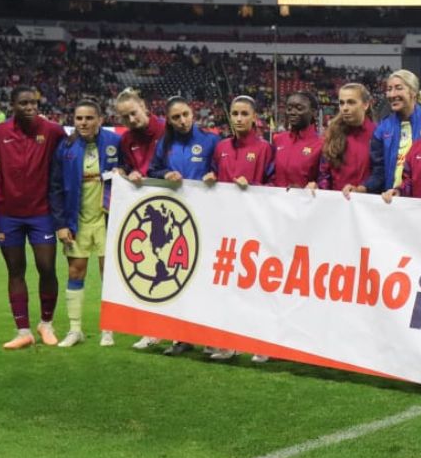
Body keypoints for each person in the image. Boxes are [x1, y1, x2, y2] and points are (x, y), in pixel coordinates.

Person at [136, 95, 219, 356]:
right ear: (169, 121)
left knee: (206, 281)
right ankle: (181, 337)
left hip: (208, 220)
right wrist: (165, 175)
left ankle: (210, 337)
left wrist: (214, 174)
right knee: (179, 279)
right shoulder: (165, 143)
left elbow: (222, 168)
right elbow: (153, 170)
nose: (182, 121)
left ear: (193, 113)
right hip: (177, 223)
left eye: (185, 115)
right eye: (176, 118)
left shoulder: (210, 140)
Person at [0, 86, 66, 350]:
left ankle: (46, 323)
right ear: (13, 105)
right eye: (23, 103)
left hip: (41, 212)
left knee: (46, 267)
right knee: (15, 271)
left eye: (33, 102)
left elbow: (73, 152)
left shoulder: (52, 131)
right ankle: (23, 330)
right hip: (8, 214)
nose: (30, 107)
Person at [203, 96, 274, 362]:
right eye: (235, 113)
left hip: (255, 228)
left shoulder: (265, 148)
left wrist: (253, 186)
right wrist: (209, 178)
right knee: (227, 288)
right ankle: (228, 343)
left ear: (254, 117)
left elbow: (274, 185)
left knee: (256, 287)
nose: (239, 118)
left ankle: (262, 343)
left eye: (245, 113)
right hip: (225, 228)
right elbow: (213, 174)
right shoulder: (220, 147)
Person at [49, 98, 121, 348]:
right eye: (79, 118)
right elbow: (56, 187)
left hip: (106, 219)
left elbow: (131, 170)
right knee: (75, 271)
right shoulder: (65, 146)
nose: (83, 123)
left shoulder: (114, 142)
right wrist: (60, 223)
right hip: (76, 220)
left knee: (107, 275)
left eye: (89, 118)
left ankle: (108, 330)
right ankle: (75, 329)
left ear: (100, 120)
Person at [114, 88, 168, 351]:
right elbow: (126, 167)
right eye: (125, 118)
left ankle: (184, 333)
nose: (131, 120)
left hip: (175, 209)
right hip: (147, 212)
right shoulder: (126, 141)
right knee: (151, 270)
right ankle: (151, 330)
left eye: (133, 113)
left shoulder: (167, 130)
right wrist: (125, 172)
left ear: (144, 106)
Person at [366, 69, 421, 194]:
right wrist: (364, 188)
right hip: (392, 200)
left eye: (398, 88)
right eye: (389, 89)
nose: (392, 94)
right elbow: (379, 171)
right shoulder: (382, 129)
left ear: (413, 92)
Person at [316, 83, 377, 196]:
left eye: (351, 102)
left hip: (368, 206)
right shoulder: (332, 134)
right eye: (341, 103)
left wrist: (362, 189)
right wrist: (322, 192)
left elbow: (381, 173)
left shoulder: (378, 134)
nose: (345, 108)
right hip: (336, 205)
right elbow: (324, 174)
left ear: (366, 104)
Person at [269, 91, 323, 190]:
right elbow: (270, 176)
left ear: (314, 113)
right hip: (276, 203)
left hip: (306, 203)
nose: (292, 112)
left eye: (299, 108)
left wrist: (317, 186)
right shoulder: (278, 139)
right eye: (289, 108)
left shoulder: (322, 144)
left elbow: (325, 180)